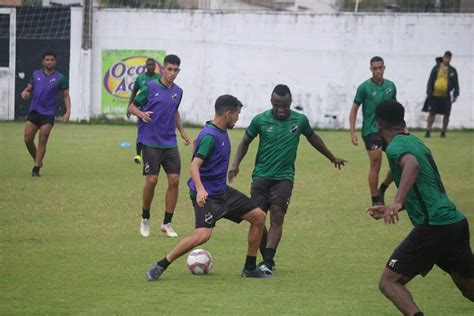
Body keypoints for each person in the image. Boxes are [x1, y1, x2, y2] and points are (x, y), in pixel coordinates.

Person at [367, 100, 473, 315]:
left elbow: (412, 166)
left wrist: (396, 201)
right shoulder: (415, 142)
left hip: (433, 227)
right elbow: (424, 191)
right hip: (455, 223)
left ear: (378, 124)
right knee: (468, 287)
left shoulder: (396, 146)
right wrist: (391, 206)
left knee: (389, 283)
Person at [146, 94, 269, 281]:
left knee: (259, 217)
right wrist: (201, 190)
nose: (237, 118)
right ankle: (161, 264)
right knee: (202, 236)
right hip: (207, 196)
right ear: (227, 114)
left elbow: (199, 141)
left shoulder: (214, 129)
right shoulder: (211, 136)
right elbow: (193, 166)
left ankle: (250, 268)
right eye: (237, 114)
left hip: (223, 192)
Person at [228, 84, 347, 275]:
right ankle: (263, 257)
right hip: (260, 176)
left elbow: (313, 138)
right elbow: (245, 142)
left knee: (277, 214)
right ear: (271, 102)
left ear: (291, 102)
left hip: (284, 177)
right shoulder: (261, 120)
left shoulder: (299, 120)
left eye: (284, 105)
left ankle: (267, 261)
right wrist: (235, 164)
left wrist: (331, 157)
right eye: (276, 105)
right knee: (257, 218)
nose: (280, 109)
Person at [128, 54, 190, 238]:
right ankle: (145, 218)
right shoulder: (150, 87)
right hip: (150, 141)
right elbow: (132, 107)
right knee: (152, 181)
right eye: (169, 69)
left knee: (175, 180)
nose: (172, 73)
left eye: (175, 70)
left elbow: (175, 112)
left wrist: (182, 132)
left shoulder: (178, 91)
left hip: (170, 142)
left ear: (179, 71)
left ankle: (167, 223)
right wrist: (141, 114)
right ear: (163, 69)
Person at [349, 56, 396, 206]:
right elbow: (354, 109)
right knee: (376, 163)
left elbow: (395, 109)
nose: (377, 71)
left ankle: (383, 188)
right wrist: (352, 132)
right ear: (371, 69)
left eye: (380, 68)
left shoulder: (391, 86)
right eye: (374, 68)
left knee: (399, 161)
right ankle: (375, 199)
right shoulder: (364, 88)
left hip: (388, 131)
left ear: (384, 68)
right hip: (371, 131)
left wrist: (402, 127)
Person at [21, 51, 71, 177]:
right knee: (27, 139)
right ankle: (38, 159)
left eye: (52, 60)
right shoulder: (35, 74)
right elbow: (27, 90)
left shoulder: (61, 78)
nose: (49, 62)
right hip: (34, 111)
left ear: (55, 61)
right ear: (43, 62)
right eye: (47, 60)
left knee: (43, 139)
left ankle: (36, 168)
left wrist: (68, 112)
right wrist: (25, 94)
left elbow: (66, 96)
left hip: (48, 114)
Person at [127, 58, 160, 164]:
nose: (151, 66)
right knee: (141, 132)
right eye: (149, 64)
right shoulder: (140, 78)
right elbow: (134, 93)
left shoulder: (159, 77)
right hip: (142, 110)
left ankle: (157, 153)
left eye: (152, 64)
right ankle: (138, 154)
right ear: (146, 66)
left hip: (156, 110)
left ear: (155, 66)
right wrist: (129, 107)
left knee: (156, 132)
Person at [422, 51, 459, 138]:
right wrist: (429, 92)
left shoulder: (452, 71)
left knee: (446, 115)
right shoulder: (436, 68)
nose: (447, 60)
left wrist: (455, 94)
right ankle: (428, 130)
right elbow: (430, 81)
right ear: (443, 58)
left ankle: (443, 132)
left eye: (449, 58)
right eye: (446, 58)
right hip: (435, 95)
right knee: (432, 113)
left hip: (446, 97)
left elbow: (456, 84)